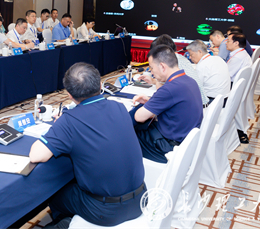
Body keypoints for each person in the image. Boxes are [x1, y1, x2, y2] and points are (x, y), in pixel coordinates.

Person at [29, 63, 145, 227]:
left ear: (69, 95)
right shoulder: (118, 107)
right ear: (100, 85)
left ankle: (66, 224)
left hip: (105, 211)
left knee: (55, 194)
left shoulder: (68, 121)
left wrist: (59, 126)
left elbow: (36, 155)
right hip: (141, 199)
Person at [131, 45, 203, 163]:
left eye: (152, 68)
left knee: (127, 134)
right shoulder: (189, 80)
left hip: (170, 147)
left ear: (162, 66)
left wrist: (149, 104)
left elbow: (139, 117)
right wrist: (151, 101)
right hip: (186, 141)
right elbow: (175, 104)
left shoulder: (170, 88)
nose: (151, 73)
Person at [142, 34, 208, 106]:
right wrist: (154, 81)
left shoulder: (169, 63)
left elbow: (162, 92)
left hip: (193, 107)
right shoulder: (179, 57)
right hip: (201, 104)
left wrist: (157, 82)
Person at [186, 40, 230, 104]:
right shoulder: (219, 59)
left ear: (199, 52)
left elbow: (196, 88)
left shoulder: (202, 65)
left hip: (211, 102)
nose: (190, 57)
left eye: (191, 54)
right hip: (225, 99)